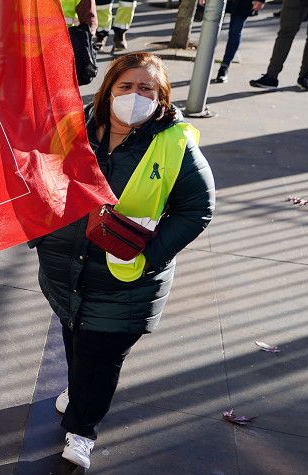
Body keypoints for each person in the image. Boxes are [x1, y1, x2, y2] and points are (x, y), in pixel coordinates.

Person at [32, 52, 214, 471]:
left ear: (162, 97)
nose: (135, 95)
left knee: (101, 351)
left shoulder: (174, 143)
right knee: (75, 332)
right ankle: (80, 389)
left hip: (128, 275)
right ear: (108, 89)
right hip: (64, 265)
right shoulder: (73, 128)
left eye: (146, 88)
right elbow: (36, 173)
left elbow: (197, 208)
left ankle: (82, 431)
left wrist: (149, 255)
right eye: (126, 86)